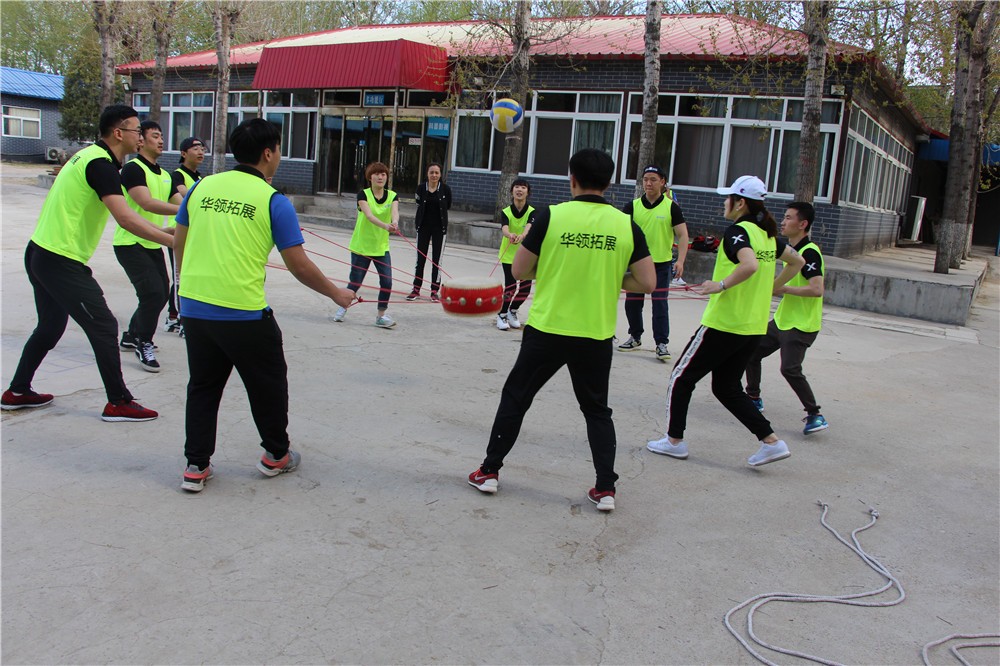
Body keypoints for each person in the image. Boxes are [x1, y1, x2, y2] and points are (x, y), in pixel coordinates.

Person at [468, 149, 655, 512]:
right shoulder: (626, 223)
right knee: (596, 410)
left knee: (517, 398)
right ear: (609, 183)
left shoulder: (551, 216)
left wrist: (556, 267)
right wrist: (607, 273)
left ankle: (489, 472)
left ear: (572, 179)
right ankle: (605, 489)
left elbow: (520, 270)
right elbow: (646, 281)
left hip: (548, 329)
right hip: (595, 333)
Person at [173, 118, 355, 492]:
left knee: (203, 386)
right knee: (268, 384)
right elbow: (299, 264)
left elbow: (179, 239)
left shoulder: (202, 187)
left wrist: (184, 284)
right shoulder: (273, 201)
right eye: (279, 149)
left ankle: (196, 465)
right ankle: (276, 455)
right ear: (268, 153)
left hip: (194, 307)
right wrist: (338, 294)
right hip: (243, 313)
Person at [1, 105, 172, 421]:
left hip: (41, 252)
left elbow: (130, 215)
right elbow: (126, 218)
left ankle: (18, 391)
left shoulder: (89, 156)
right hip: (59, 260)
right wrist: (172, 240)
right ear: (119, 133)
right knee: (104, 325)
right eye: (137, 130)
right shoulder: (101, 165)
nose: (141, 135)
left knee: (51, 326)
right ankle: (118, 401)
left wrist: (162, 232)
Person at [646, 175, 805, 467]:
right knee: (726, 387)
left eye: (728, 197)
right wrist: (774, 286)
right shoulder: (767, 235)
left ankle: (673, 441)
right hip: (753, 326)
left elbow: (750, 264)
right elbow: (797, 262)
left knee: (681, 378)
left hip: (725, 324)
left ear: (740, 202)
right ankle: (771, 441)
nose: (724, 202)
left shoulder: (738, 232)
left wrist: (720, 285)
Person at [744, 201, 829, 435]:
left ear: (803, 224)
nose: (783, 221)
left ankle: (815, 414)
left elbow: (816, 289)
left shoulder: (809, 252)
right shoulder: (789, 250)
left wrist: (783, 289)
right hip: (782, 320)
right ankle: (753, 398)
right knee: (751, 351)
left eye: (789, 218)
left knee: (790, 369)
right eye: (784, 217)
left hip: (801, 324)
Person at [115, 120, 183, 372]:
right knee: (153, 294)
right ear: (141, 140)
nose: (161, 140)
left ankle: (132, 335)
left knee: (158, 293)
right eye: (155, 135)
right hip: (129, 242)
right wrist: (183, 209)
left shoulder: (164, 175)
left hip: (153, 242)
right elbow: (146, 203)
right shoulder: (132, 169)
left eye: (162, 135)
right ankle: (144, 341)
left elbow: (178, 201)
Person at [618, 165, 689, 362]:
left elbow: (683, 235)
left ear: (663, 182)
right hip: (636, 264)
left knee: (660, 305)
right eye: (645, 179)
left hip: (662, 264)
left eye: (653, 179)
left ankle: (661, 343)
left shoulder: (671, 207)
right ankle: (635, 337)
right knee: (633, 304)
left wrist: (681, 261)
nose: (648, 183)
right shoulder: (632, 206)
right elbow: (621, 233)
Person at [332, 161, 399, 328]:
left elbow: (395, 214)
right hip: (362, 246)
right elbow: (369, 216)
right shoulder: (363, 195)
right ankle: (343, 307)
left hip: (381, 247)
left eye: (383, 174)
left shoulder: (392, 196)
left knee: (387, 282)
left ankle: (381, 316)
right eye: (377, 174)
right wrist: (386, 227)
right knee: (355, 282)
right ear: (370, 177)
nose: (380, 177)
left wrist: (395, 223)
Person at [164, 136, 205, 336]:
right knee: (180, 277)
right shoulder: (177, 175)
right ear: (183, 153)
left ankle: (177, 314)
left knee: (190, 276)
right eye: (195, 148)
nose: (200, 152)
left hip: (196, 236)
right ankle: (177, 317)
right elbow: (187, 198)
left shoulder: (201, 178)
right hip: (178, 235)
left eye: (202, 148)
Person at [406, 163, 451, 303]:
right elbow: (418, 203)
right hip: (423, 227)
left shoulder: (445, 189)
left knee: (437, 261)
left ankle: (434, 291)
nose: (434, 175)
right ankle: (416, 289)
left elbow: (447, 205)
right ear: (427, 174)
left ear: (440, 174)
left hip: (439, 229)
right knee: (420, 259)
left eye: (437, 173)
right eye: (431, 172)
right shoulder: (421, 188)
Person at [495, 178, 535, 331]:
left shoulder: (533, 211)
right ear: (512, 191)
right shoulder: (506, 211)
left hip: (527, 254)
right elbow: (504, 228)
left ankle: (512, 311)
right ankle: (502, 314)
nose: (519, 190)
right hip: (509, 255)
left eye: (523, 187)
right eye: (516, 187)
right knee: (510, 287)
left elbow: (529, 227)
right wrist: (509, 234)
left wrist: (523, 236)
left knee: (525, 289)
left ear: (527, 192)